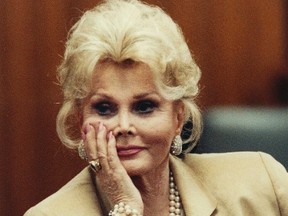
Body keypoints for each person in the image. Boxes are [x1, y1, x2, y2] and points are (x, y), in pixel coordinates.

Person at [25, 0, 288, 215]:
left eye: (145, 107)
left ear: (178, 117)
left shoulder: (261, 183)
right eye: (105, 108)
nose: (124, 126)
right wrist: (125, 207)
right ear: (81, 117)